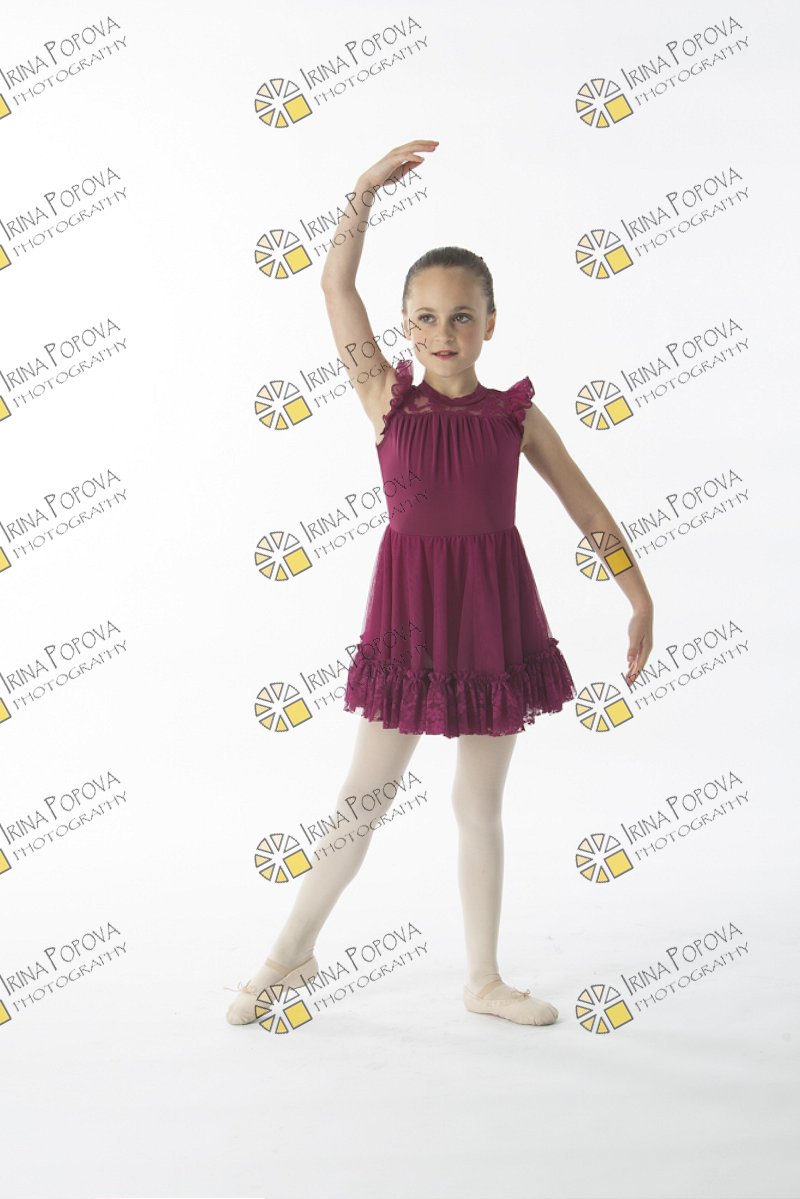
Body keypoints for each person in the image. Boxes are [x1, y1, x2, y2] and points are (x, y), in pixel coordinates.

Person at [226, 140, 654, 1028]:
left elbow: (586, 504)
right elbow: (335, 286)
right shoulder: (386, 399)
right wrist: (362, 192)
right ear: (404, 327)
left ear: (491, 323)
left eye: (462, 315)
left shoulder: (515, 416)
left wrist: (637, 595)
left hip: (494, 617)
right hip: (412, 619)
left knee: (478, 801)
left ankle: (483, 979)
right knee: (362, 800)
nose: (444, 332)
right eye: (425, 317)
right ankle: (290, 949)